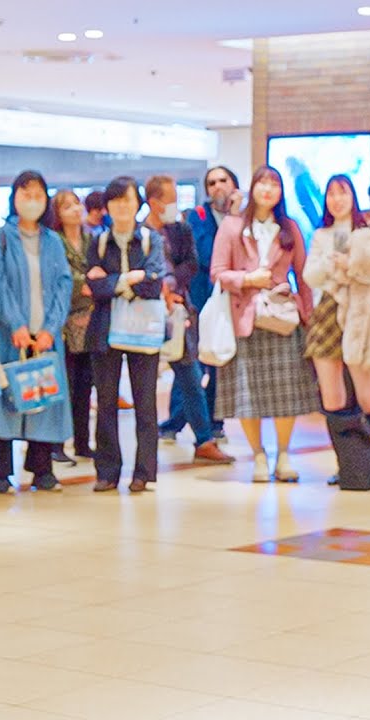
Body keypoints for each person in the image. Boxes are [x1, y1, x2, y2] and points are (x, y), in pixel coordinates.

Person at [210, 166, 320, 483]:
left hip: (283, 318)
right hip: (245, 318)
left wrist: (307, 316)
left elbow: (304, 276)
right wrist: (246, 279)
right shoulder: (232, 227)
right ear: (252, 188)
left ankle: (283, 454)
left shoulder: (290, 228)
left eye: (274, 184)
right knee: (248, 393)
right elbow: (217, 271)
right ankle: (258, 455)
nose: (268, 189)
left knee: (287, 392)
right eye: (262, 183)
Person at [304, 175, 370, 489]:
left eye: (343, 192)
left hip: (360, 317)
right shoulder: (321, 234)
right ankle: (348, 464)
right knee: (332, 398)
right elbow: (311, 275)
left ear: (352, 196)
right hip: (328, 316)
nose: (337, 199)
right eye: (331, 193)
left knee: (369, 396)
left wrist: (353, 265)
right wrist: (331, 265)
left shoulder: (369, 232)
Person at [0, 171, 73, 494]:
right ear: (14, 197)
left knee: (44, 400)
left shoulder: (53, 241)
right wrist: (15, 324)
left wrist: (49, 329)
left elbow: (63, 286)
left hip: (45, 338)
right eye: (25, 194)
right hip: (10, 335)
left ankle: (42, 469)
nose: (31, 201)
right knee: (3, 404)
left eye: (37, 195)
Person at [144, 174, 234, 465]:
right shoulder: (140, 234)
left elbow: (191, 264)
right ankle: (151, 441)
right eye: (169, 199)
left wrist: (172, 287)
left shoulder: (180, 230)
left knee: (191, 377)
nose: (174, 205)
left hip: (180, 312)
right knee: (143, 382)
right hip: (144, 315)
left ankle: (204, 439)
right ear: (154, 202)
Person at [86, 176, 166, 493]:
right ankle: (107, 471)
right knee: (106, 402)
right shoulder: (99, 241)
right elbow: (93, 286)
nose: (122, 206)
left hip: (143, 329)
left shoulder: (151, 239)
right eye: (116, 200)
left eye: (128, 199)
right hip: (105, 330)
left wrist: (114, 282)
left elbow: (154, 283)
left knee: (145, 403)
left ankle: (143, 472)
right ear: (107, 206)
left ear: (137, 203)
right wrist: (128, 280)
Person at [176, 165, 243, 444]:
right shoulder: (198, 216)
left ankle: (215, 421)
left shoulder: (244, 218)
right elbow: (205, 254)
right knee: (192, 363)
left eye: (223, 180)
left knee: (221, 362)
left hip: (232, 300)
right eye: (212, 182)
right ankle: (176, 422)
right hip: (202, 299)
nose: (218, 186)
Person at [49, 189, 96, 461]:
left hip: (90, 322)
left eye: (77, 204)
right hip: (63, 322)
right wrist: (85, 284)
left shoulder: (92, 240)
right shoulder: (55, 241)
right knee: (64, 384)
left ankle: (82, 442)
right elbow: (60, 280)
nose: (75, 210)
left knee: (85, 384)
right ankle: (56, 444)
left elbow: (100, 274)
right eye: (67, 206)